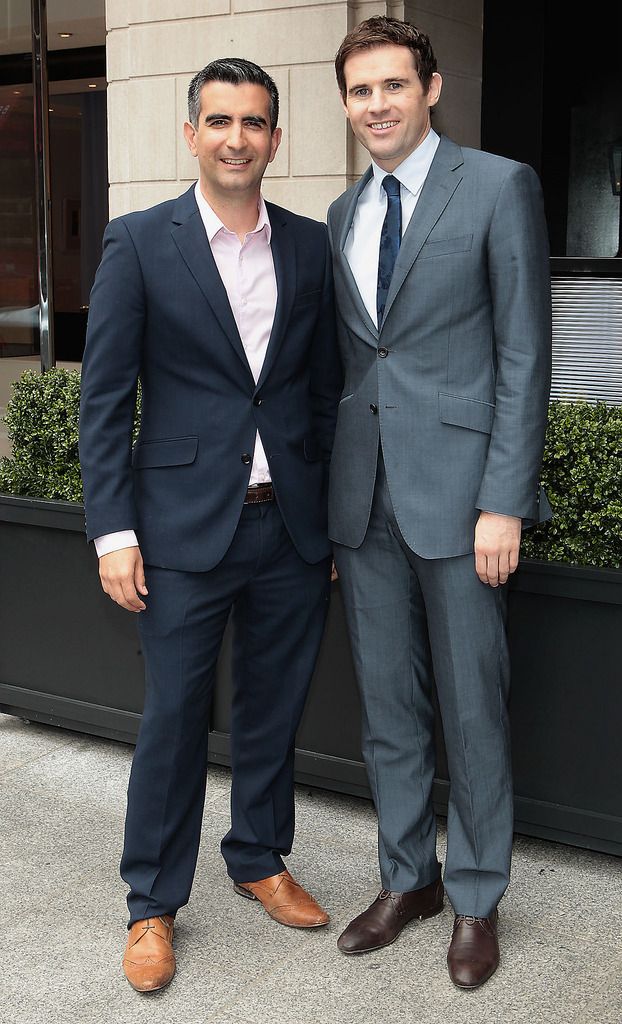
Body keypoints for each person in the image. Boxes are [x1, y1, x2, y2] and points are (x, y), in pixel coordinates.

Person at [79, 57, 342, 994]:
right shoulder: (139, 243)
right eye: (221, 120)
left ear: (277, 138)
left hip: (291, 530)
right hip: (181, 531)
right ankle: (151, 902)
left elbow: (323, 396)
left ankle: (260, 856)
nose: (239, 138)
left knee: (275, 709)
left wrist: (336, 521)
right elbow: (105, 399)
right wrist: (114, 531)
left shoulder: (309, 248)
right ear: (191, 133)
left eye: (256, 122)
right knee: (175, 719)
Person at [327, 17, 551, 988]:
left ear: (429, 88)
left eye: (391, 86)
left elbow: (522, 356)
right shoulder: (342, 213)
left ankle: (473, 895)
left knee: (471, 707)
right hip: (365, 496)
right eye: (359, 91)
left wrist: (504, 499)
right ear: (345, 105)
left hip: (465, 504)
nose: (375, 105)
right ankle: (405, 876)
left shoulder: (498, 186)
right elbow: (356, 363)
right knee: (388, 707)